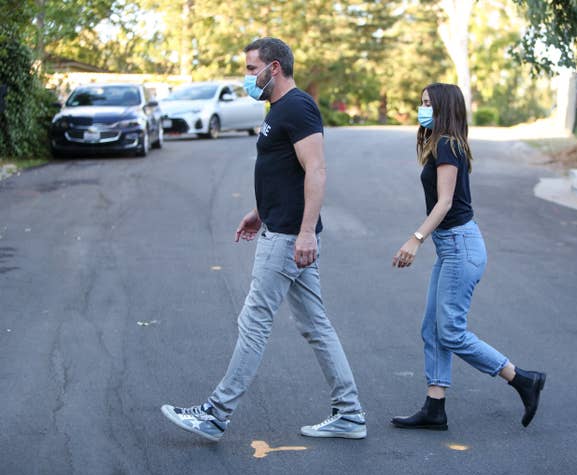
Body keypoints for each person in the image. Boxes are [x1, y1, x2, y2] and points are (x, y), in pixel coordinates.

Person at [161, 37, 366, 442]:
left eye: (252, 69)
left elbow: (316, 170)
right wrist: (260, 212)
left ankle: (215, 414)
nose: (247, 77)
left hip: (289, 237)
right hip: (281, 226)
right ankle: (350, 413)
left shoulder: (298, 107)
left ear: (274, 68)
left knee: (254, 321)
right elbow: (282, 171)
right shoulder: (279, 110)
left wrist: (305, 231)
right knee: (316, 326)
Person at [390, 83, 545, 431]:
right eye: (421, 102)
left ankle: (522, 379)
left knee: (451, 332)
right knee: (432, 328)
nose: (422, 108)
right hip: (452, 247)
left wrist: (415, 239)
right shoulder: (443, 143)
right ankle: (435, 407)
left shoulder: (446, 144)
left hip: (460, 246)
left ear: (444, 108)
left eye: (428, 103)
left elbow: (444, 203)